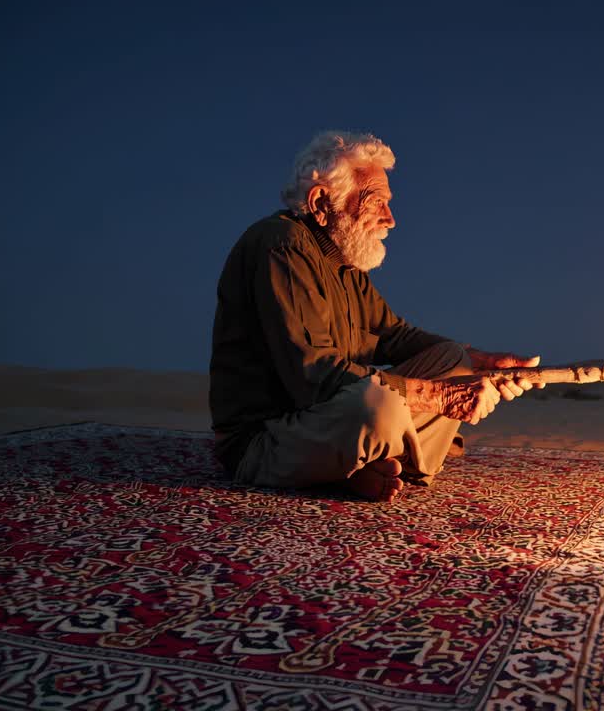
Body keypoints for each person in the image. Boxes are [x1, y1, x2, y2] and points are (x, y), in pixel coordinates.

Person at [209, 131, 541, 501]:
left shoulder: (345, 264)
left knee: (452, 359)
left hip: (330, 420)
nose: (390, 219)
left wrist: (483, 361)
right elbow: (315, 375)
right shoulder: (282, 245)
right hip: (271, 438)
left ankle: (367, 464)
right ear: (322, 202)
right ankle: (365, 462)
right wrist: (438, 397)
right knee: (379, 403)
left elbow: (393, 336)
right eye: (376, 203)